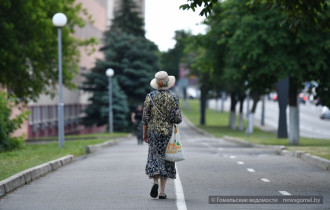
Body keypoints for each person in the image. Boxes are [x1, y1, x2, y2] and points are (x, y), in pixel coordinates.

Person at [142, 71, 182, 199]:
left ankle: (155, 182)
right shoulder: (173, 97)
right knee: (166, 159)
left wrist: (144, 134)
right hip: (167, 133)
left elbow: (145, 118)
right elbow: (178, 118)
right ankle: (162, 191)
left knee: (154, 157)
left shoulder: (150, 97)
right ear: (167, 83)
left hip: (153, 132)